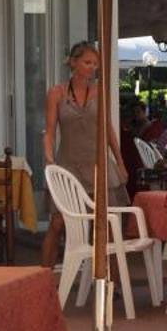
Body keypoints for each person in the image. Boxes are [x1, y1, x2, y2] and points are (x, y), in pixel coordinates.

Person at [41, 41, 130, 268]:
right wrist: (49, 160)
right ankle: (41, 278)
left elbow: (108, 129)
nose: (92, 67)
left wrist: (120, 162)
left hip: (98, 164)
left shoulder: (100, 92)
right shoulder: (57, 93)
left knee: (107, 223)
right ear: (73, 63)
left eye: (96, 63)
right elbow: (50, 131)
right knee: (57, 223)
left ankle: (112, 284)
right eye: (87, 62)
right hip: (69, 164)